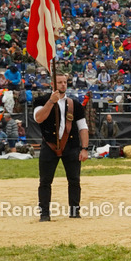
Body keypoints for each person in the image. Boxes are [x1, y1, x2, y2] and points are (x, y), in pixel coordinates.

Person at [34, 72, 89, 221]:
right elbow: (39, 118)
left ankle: (74, 211)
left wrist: (84, 148)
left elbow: (83, 127)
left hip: (71, 147)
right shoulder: (40, 100)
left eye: (65, 82)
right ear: (53, 84)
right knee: (45, 181)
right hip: (49, 146)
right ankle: (44, 214)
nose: (63, 85)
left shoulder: (74, 104)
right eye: (59, 82)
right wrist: (51, 102)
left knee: (74, 180)